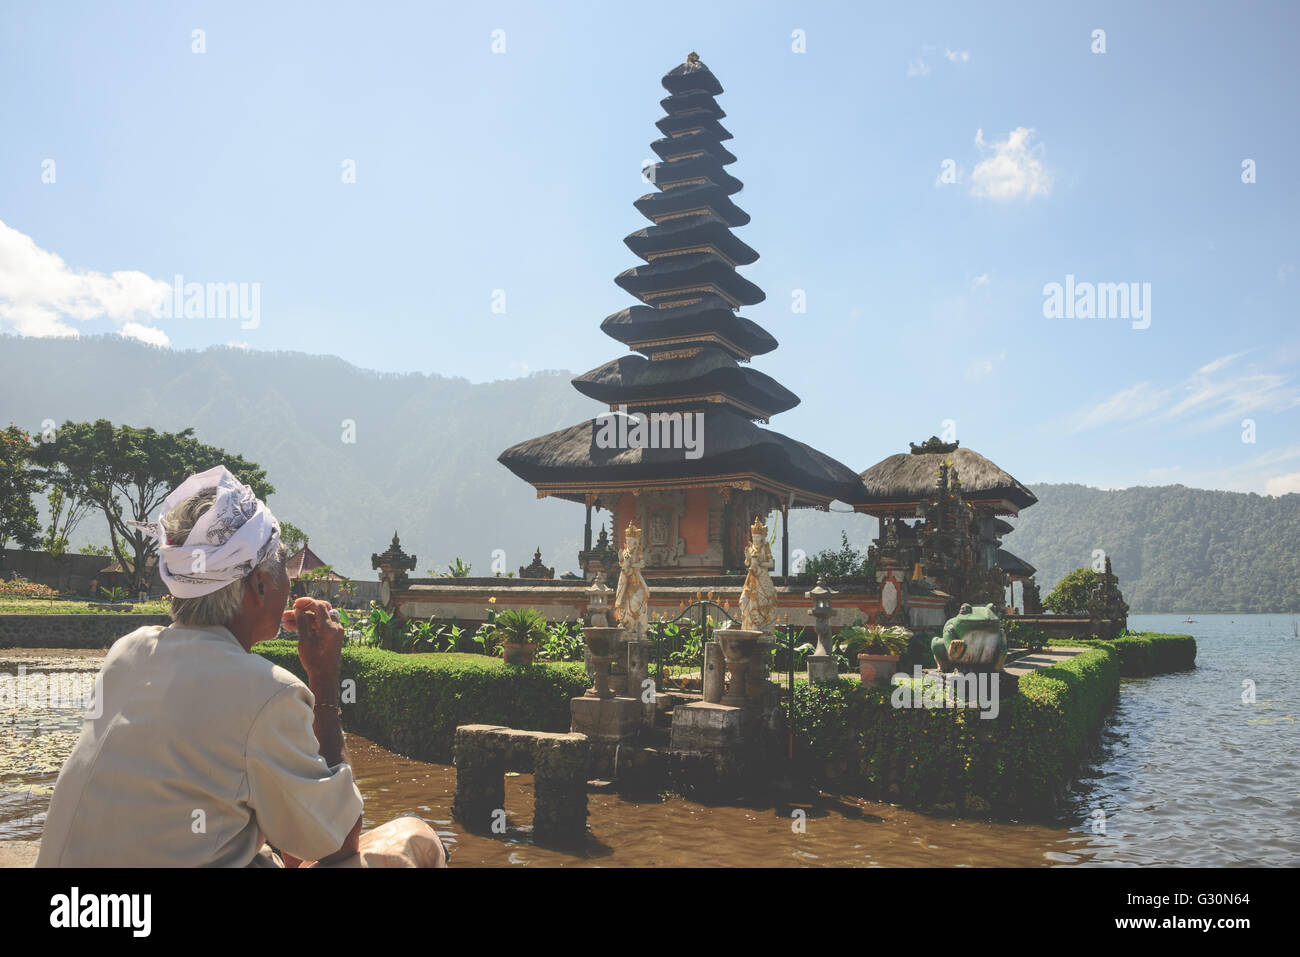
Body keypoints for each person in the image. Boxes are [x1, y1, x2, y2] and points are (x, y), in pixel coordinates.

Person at [36, 465, 445, 868]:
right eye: (284, 570)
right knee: (411, 839)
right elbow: (335, 840)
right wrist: (323, 680)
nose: (291, 586)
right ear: (261, 586)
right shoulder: (266, 693)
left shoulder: (128, 649)